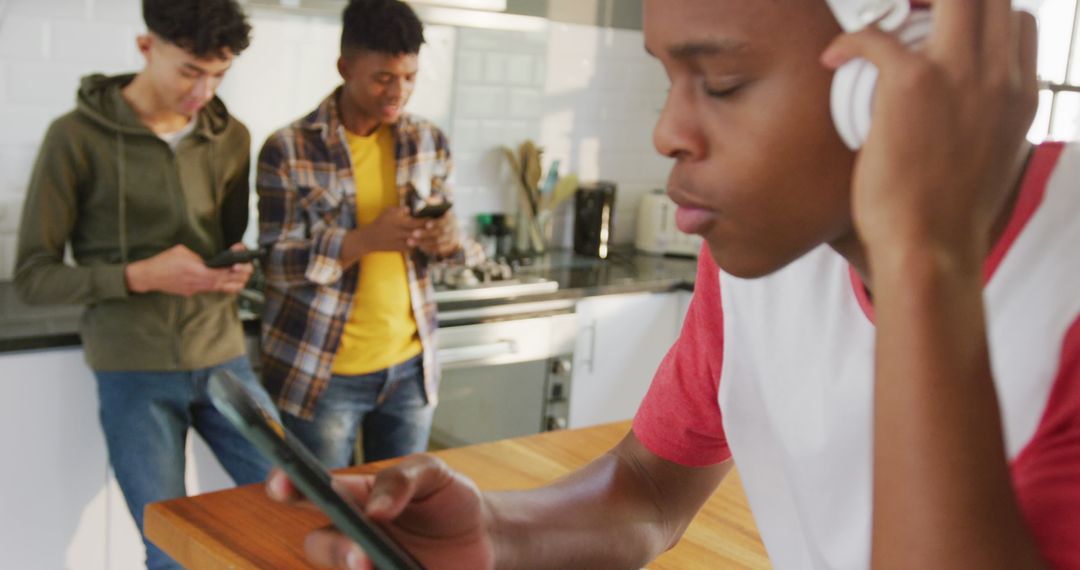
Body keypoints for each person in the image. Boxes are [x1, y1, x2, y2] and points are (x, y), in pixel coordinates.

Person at [268, 0, 1080, 568]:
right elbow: (650, 489)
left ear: (904, 79)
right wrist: (497, 534)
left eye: (721, 83)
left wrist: (922, 256)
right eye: (668, 78)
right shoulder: (753, 260)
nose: (667, 132)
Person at [13, 1, 275, 568]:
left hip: (224, 359)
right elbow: (34, 277)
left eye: (219, 74)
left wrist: (234, 270)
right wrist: (139, 276)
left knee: (301, 508)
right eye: (189, 70)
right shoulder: (75, 138)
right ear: (145, 47)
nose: (203, 91)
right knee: (170, 549)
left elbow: (227, 244)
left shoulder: (230, 137)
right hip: (133, 373)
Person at [257, 0, 474, 470]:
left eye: (410, 77)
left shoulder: (428, 140)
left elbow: (454, 251)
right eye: (383, 78)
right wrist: (363, 239)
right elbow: (275, 263)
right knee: (328, 522)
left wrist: (448, 240)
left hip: (410, 372)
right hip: (324, 373)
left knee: (401, 521)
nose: (399, 92)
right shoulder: (288, 149)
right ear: (345, 67)